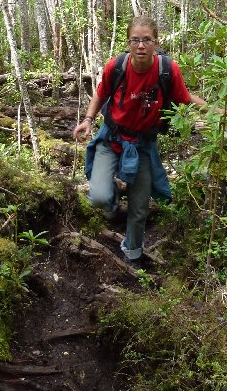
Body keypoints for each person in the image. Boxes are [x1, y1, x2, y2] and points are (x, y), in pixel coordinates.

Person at [72, 16, 206, 266]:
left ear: (156, 42)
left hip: (143, 144)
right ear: (129, 42)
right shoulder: (117, 66)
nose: (141, 45)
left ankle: (132, 253)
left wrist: (216, 111)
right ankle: (111, 207)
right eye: (136, 40)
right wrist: (88, 120)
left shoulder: (167, 69)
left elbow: (185, 98)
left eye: (147, 40)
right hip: (111, 137)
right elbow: (101, 95)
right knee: (99, 196)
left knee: (140, 206)